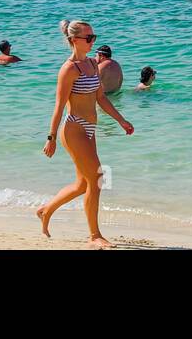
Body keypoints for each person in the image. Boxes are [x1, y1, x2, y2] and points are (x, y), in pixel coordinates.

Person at [37, 20, 134, 249]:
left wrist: (121, 120)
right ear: (73, 40)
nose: (92, 41)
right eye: (88, 38)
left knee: (83, 184)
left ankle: (45, 211)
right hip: (74, 130)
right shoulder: (68, 69)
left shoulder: (92, 64)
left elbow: (101, 98)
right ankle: (94, 236)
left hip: (90, 130)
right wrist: (51, 138)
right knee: (98, 179)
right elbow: (59, 106)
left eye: (94, 37)